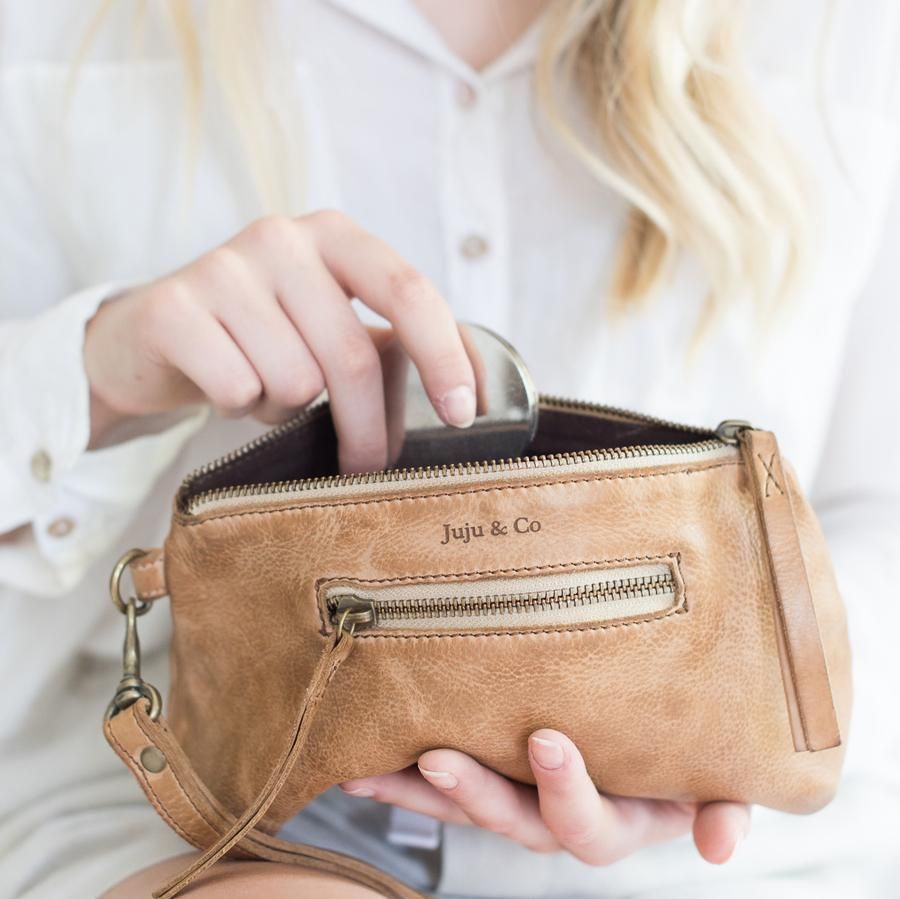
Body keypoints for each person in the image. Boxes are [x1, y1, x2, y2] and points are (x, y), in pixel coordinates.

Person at [1, 1, 898, 896]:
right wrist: (92, 377)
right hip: (210, 819)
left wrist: (725, 714)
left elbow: (875, 515)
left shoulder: (840, 32)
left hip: (732, 850)